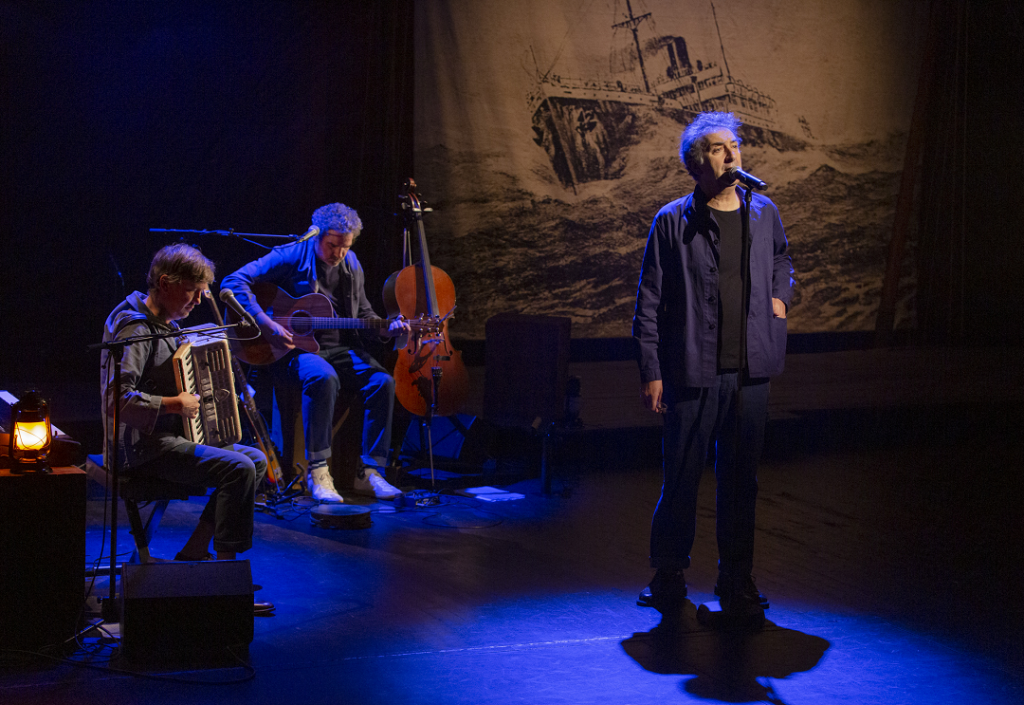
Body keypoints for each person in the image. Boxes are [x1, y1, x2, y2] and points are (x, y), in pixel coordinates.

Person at [632, 111, 793, 620]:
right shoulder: (672, 220)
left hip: (751, 370)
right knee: (681, 475)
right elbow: (650, 300)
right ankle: (669, 571)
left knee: (741, 479)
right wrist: (652, 370)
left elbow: (783, 260)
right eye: (721, 148)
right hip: (692, 370)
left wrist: (780, 297)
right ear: (698, 164)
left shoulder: (763, 212)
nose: (733, 153)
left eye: (735, 145)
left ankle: (736, 576)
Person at [221, 203, 410, 503]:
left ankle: (370, 471)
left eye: (345, 247)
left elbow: (364, 313)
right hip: (293, 351)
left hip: (341, 349)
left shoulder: (352, 265)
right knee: (324, 377)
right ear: (317, 236)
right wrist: (266, 323)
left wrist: (387, 328)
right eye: (333, 245)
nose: (339, 254)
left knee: (383, 382)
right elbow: (233, 282)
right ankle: (318, 471)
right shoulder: (292, 254)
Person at [101, 244, 269, 575]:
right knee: (238, 469)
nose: (196, 301)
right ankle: (226, 575)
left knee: (256, 460)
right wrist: (177, 404)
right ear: (165, 283)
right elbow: (115, 401)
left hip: (164, 438)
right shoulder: (135, 327)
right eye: (191, 292)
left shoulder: (165, 323)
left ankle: (195, 549)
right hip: (140, 449)